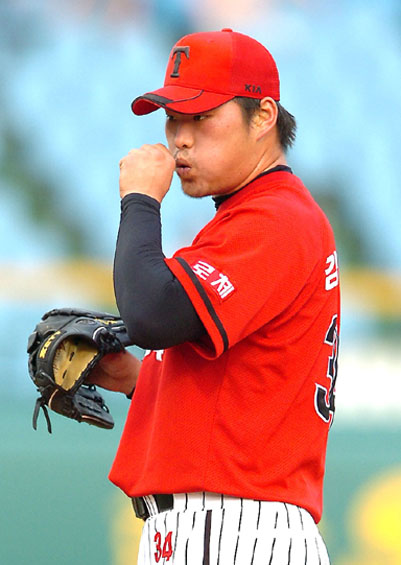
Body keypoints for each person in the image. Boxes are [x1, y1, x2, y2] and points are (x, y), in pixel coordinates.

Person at [89, 28, 340, 564]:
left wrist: (140, 201)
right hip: (223, 526)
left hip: (232, 527)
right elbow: (243, 390)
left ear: (263, 116)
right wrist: (139, 380)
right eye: (173, 118)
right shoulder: (256, 217)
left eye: (201, 116)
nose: (180, 138)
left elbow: (153, 315)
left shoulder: (276, 218)